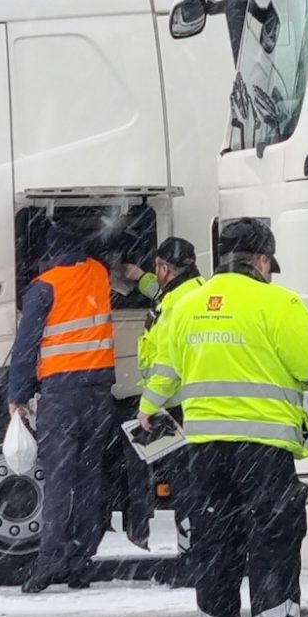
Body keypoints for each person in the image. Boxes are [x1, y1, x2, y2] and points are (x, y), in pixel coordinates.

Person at [138, 218, 308, 617]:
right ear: (262, 260)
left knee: (215, 548)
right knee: (272, 545)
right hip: (262, 450)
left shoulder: (186, 305)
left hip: (204, 451)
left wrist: (148, 408)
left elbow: (164, 368)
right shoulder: (277, 302)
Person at [8, 220, 116, 594]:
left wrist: (17, 396)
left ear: (50, 253)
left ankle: (50, 557)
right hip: (100, 395)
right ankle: (81, 561)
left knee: (58, 479)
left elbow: (25, 348)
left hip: (61, 397)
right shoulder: (99, 274)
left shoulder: (43, 289)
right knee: (89, 479)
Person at [124, 237, 206, 584]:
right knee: (202, 487)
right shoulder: (196, 289)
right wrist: (138, 277)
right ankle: (201, 555)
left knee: (187, 490)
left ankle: (191, 563)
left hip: (177, 409)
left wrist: (147, 407)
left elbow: (166, 368)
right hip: (196, 405)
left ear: (165, 268)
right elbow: (159, 293)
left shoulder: (174, 307)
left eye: (156, 269)